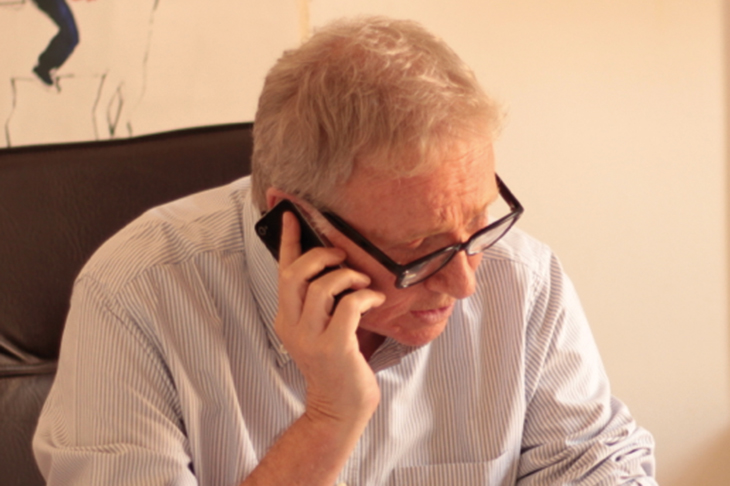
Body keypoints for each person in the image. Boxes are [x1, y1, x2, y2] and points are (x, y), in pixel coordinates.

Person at [33, 16, 657, 485]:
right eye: (418, 249)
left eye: (478, 221)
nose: (465, 283)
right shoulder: (136, 294)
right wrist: (330, 419)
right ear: (294, 224)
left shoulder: (522, 279)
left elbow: (598, 464)